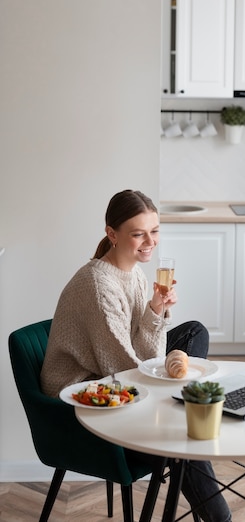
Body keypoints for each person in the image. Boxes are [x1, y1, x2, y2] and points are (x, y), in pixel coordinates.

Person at [41, 189, 232, 522]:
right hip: (85, 396)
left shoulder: (135, 275)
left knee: (194, 332)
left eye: (154, 231)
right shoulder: (98, 286)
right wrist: (162, 363)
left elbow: (145, 355)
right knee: (182, 435)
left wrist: (156, 308)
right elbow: (124, 367)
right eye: (138, 233)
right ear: (111, 234)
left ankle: (182, 403)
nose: (150, 241)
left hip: (117, 371)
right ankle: (221, 517)